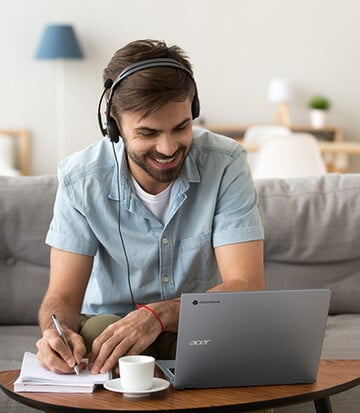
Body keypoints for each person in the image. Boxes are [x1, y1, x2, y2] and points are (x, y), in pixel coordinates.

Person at [36, 39, 265, 375]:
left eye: (181, 127)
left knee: (243, 346)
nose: (168, 147)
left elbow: (246, 285)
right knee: (99, 331)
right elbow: (63, 298)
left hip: (197, 327)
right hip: (108, 331)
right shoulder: (80, 179)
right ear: (113, 124)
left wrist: (158, 316)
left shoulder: (226, 163)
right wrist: (55, 334)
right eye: (148, 132)